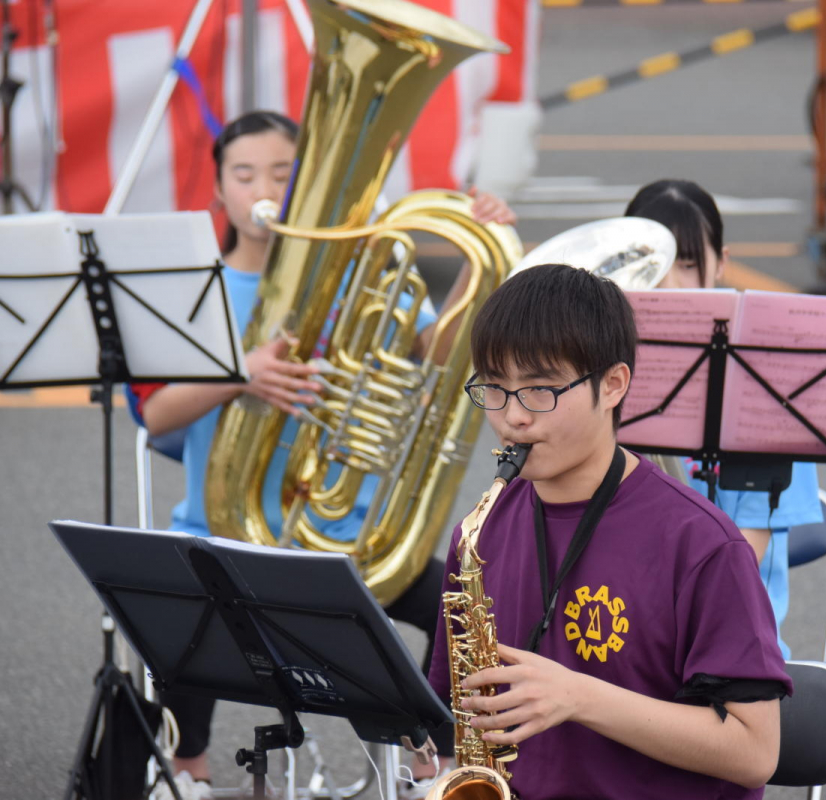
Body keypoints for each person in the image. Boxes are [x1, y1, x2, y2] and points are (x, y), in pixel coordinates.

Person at [126, 110, 516, 796]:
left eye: (282, 173)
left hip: (344, 541)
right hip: (222, 533)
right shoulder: (199, 291)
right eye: (244, 175)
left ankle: (438, 762)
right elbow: (153, 413)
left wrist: (479, 257)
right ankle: (185, 769)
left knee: (462, 597)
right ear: (219, 192)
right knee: (175, 597)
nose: (262, 188)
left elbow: (440, 359)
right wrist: (239, 375)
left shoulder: (354, 278)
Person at [425, 264, 791, 800]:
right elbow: (455, 720)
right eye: (494, 388)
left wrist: (579, 698)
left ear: (613, 384)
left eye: (540, 390)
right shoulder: (479, 533)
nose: (512, 419)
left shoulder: (701, 544)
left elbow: (755, 753)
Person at [624, 178, 824, 660]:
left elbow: (744, 554)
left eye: (689, 265)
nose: (670, 284)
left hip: (731, 643)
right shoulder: (601, 367)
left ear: (722, 262)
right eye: (652, 265)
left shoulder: (766, 377)